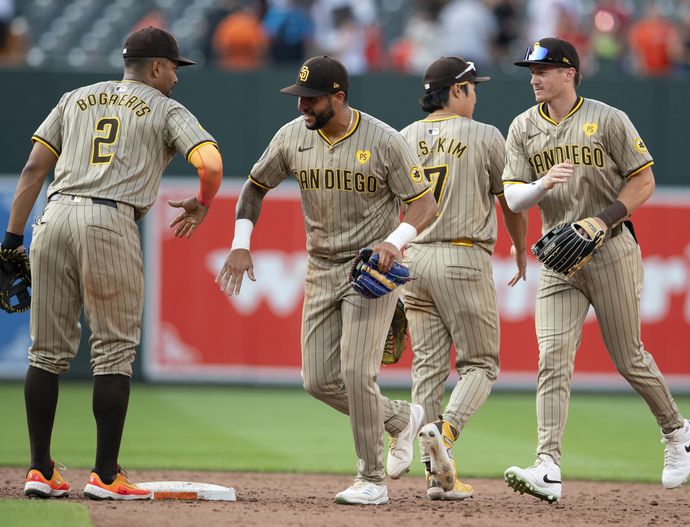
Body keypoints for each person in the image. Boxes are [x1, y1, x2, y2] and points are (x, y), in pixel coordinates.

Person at [3, 26, 223, 500]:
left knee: (44, 353)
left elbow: (33, 170)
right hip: (109, 218)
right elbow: (211, 165)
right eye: (174, 69)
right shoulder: (166, 107)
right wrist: (203, 202)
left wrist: (10, 241)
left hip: (54, 216)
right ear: (158, 67)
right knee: (114, 352)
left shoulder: (74, 98)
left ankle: (39, 470)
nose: (177, 79)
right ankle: (105, 476)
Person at [215, 55, 438, 505]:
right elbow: (256, 185)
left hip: (369, 269)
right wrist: (241, 240)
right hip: (319, 268)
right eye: (299, 98)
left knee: (357, 372)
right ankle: (401, 418)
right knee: (318, 380)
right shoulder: (292, 136)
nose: (303, 107)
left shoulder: (384, 140)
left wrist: (395, 241)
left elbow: (423, 203)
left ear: (338, 97)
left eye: (311, 99)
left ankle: (372, 479)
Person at [500, 37, 690, 503]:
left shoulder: (607, 119)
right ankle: (547, 464)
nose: (534, 78)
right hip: (558, 256)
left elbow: (644, 179)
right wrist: (542, 182)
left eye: (543, 70)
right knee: (552, 357)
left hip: (610, 248)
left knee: (628, 356)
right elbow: (511, 198)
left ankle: (677, 430)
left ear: (569, 72)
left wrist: (603, 219)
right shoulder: (523, 127)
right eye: (531, 70)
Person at [399, 56, 527, 500]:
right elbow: (510, 199)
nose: (475, 95)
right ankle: (446, 434)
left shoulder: (403, 137)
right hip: (461, 255)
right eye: (472, 88)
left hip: (413, 258)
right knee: (481, 364)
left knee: (428, 369)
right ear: (456, 91)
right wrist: (519, 245)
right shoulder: (486, 135)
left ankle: (436, 476)